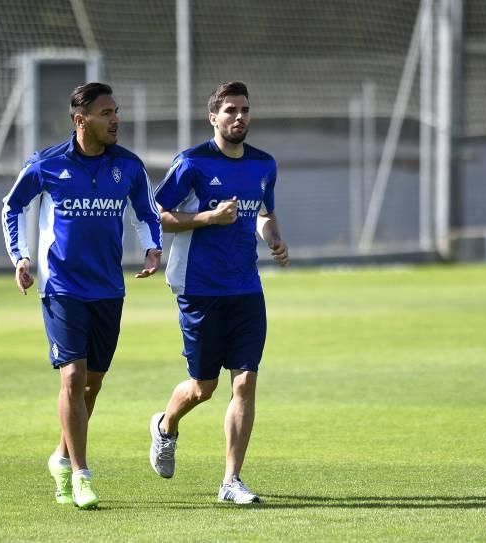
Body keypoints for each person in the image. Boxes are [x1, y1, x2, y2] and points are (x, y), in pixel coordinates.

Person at [2, 82, 162, 510]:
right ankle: (81, 474)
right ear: (81, 120)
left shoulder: (127, 166)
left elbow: (146, 210)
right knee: (72, 377)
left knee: (92, 383)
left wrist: (152, 246)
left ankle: (59, 457)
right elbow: (12, 206)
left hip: (109, 288)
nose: (115, 120)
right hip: (61, 286)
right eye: (106, 112)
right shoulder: (47, 164)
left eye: (116, 111)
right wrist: (20, 256)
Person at [149, 81, 289, 504]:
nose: (239, 117)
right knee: (202, 388)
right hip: (200, 289)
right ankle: (165, 426)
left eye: (244, 109)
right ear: (213, 117)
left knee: (245, 382)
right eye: (229, 110)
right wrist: (210, 217)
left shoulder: (264, 165)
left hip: (247, 288)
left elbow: (263, 213)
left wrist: (274, 238)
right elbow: (160, 215)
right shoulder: (192, 163)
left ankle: (231, 481)